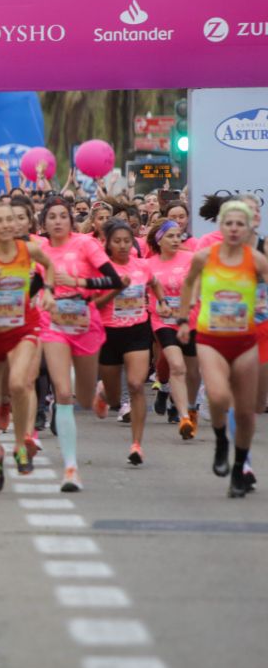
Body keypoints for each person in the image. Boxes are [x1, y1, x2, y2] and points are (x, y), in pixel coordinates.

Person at [0, 203, 58, 490]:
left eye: (10, 220)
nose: (6, 225)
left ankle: (20, 445)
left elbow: (51, 266)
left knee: (19, 384)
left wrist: (49, 291)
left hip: (23, 328)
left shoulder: (27, 250)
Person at [178, 200, 268, 498]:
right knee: (217, 395)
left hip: (244, 341)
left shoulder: (257, 260)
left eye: (239, 224)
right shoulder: (204, 256)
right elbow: (188, 284)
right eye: (228, 223)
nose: (233, 228)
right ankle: (220, 441)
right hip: (210, 338)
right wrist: (182, 319)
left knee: (246, 412)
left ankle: (240, 469)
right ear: (221, 226)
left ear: (248, 228)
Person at [37, 197, 127, 493]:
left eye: (63, 216)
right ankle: (70, 468)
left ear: (71, 220)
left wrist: (79, 282)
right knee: (63, 393)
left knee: (85, 400)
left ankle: (100, 392)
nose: (58, 221)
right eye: (52, 217)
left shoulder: (85, 245)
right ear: (44, 222)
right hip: (53, 323)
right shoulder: (40, 250)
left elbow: (112, 280)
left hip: (85, 321)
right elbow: (34, 285)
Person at [94, 220, 161, 466]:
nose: (123, 245)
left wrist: (161, 301)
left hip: (137, 330)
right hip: (109, 332)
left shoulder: (141, 265)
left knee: (135, 385)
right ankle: (103, 392)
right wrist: (115, 289)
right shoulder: (101, 268)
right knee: (114, 400)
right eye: (117, 241)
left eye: (127, 240)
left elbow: (154, 282)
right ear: (108, 243)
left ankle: (137, 445)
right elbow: (95, 305)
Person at [146, 219, 200, 437]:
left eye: (179, 235)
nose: (176, 239)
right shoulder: (149, 264)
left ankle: (192, 406)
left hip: (191, 320)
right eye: (170, 236)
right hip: (163, 322)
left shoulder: (190, 259)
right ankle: (184, 417)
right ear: (159, 240)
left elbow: (196, 287)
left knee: (193, 373)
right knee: (177, 367)